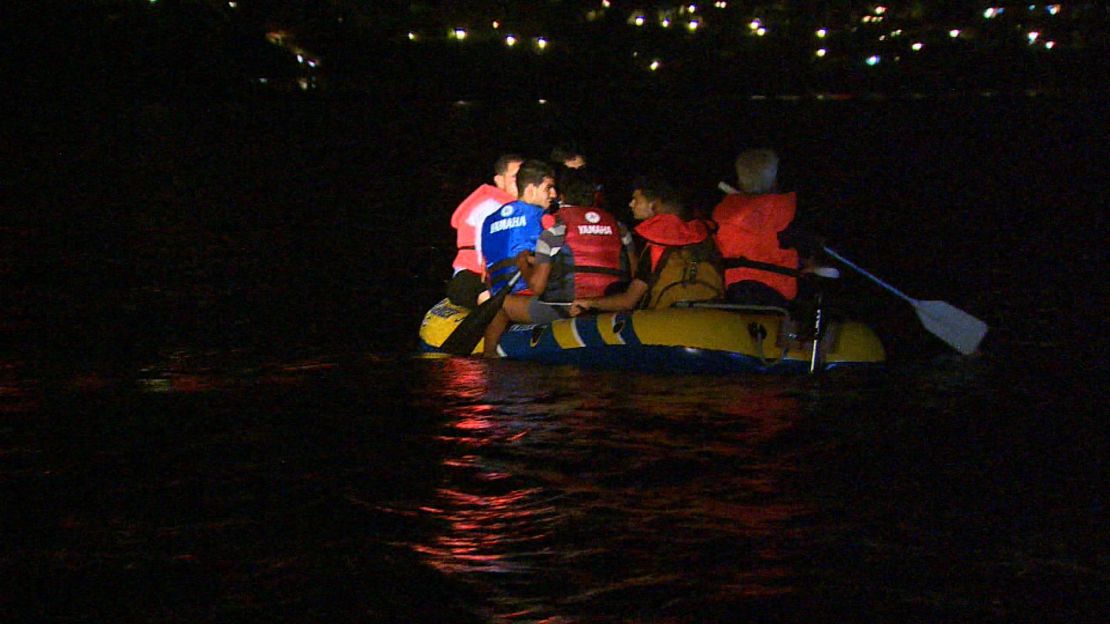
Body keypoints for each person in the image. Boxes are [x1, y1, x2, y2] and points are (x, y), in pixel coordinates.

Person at [483, 169, 635, 357]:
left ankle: (489, 360)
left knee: (500, 304)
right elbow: (634, 272)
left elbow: (537, 287)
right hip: (611, 303)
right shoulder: (619, 227)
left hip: (567, 306)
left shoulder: (554, 227)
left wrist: (523, 263)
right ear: (595, 195)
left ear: (562, 195)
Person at [569, 177, 722, 316]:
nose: (631, 204)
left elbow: (629, 301)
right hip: (710, 317)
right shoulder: (707, 236)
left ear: (653, 204)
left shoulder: (657, 245)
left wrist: (589, 302)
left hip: (663, 320)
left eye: (636, 199)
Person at [710, 149, 820, 308]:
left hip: (733, 290)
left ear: (740, 179)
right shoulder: (786, 213)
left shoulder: (722, 213)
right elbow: (806, 247)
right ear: (774, 179)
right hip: (777, 295)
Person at [446, 153, 524, 308]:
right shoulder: (490, 206)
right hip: (472, 276)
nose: (522, 182)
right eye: (516, 177)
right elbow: (485, 247)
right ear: (499, 180)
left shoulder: (522, 210)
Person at [479, 159, 557, 298]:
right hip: (530, 293)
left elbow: (484, 269)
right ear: (531, 190)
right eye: (548, 188)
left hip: (498, 296)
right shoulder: (543, 218)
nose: (554, 194)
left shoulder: (488, 221)